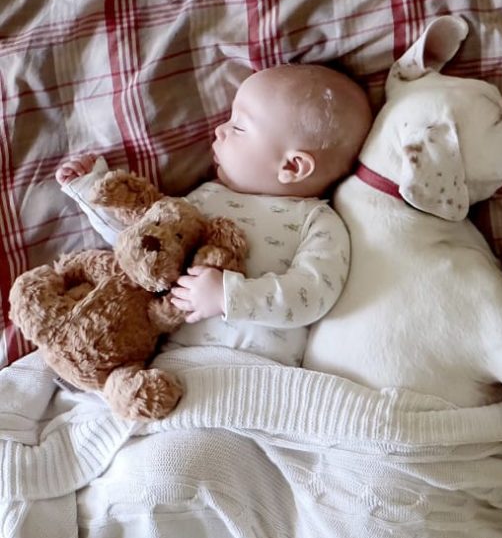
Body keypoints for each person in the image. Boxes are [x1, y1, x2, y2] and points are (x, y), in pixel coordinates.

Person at [56, 64, 373, 366]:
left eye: (238, 126)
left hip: (258, 376)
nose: (219, 130)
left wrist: (229, 295)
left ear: (292, 166)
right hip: (175, 367)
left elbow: (313, 294)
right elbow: (141, 247)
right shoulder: (206, 197)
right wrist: (92, 188)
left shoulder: (318, 221)